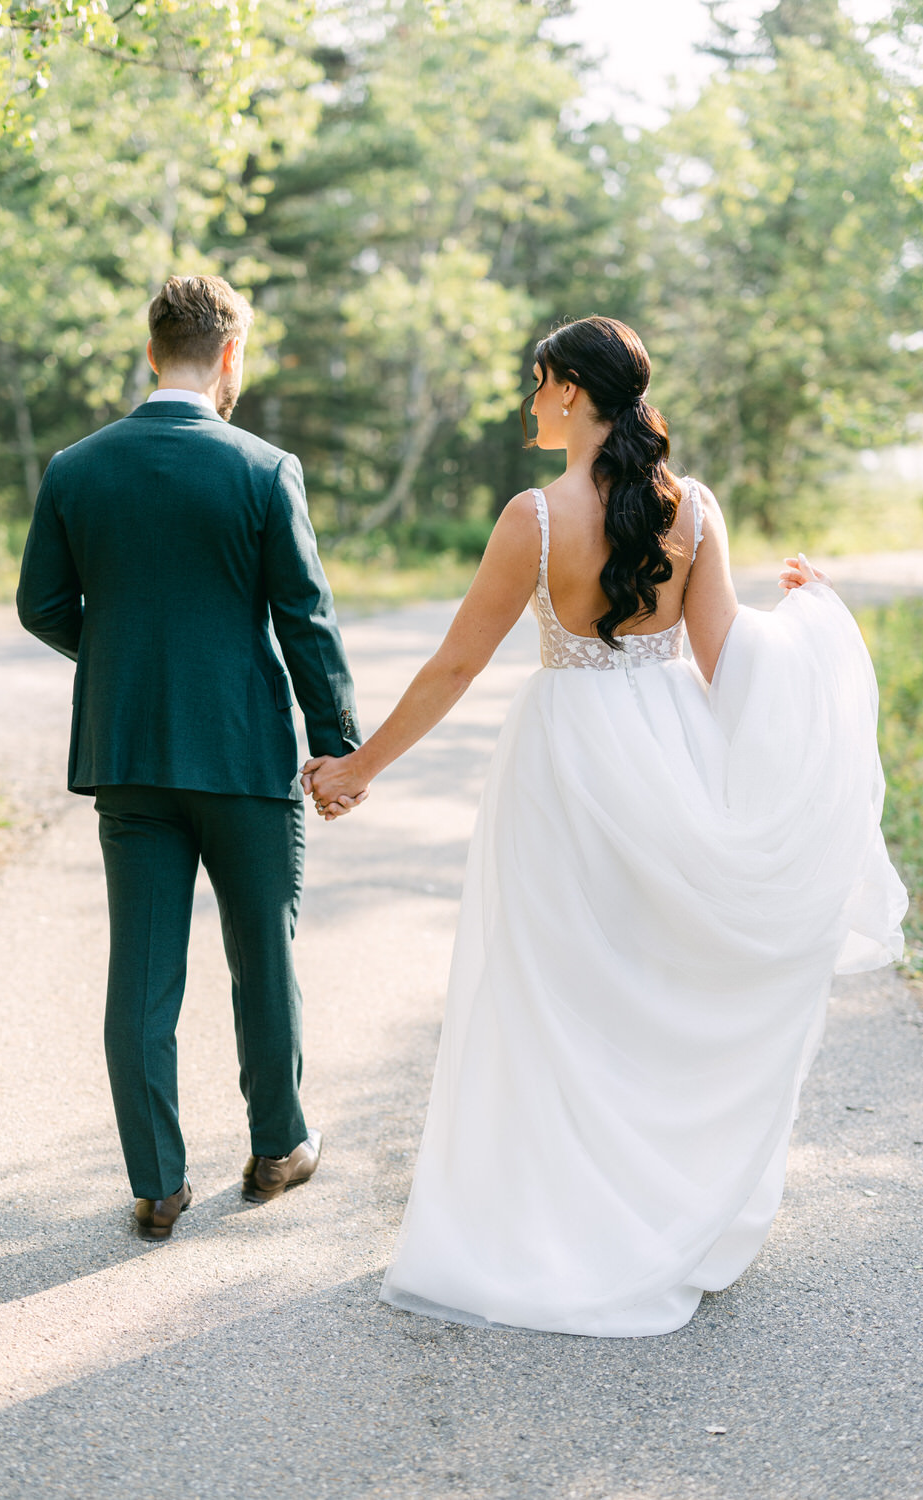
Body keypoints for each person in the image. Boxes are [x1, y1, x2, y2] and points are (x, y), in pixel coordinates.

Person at [303, 315, 907, 1336]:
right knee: (642, 987)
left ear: (572, 392)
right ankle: (654, 1216)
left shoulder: (532, 519)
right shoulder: (692, 509)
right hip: (665, 756)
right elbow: (728, 665)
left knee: (554, 993)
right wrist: (811, 625)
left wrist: (359, 768)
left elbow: (456, 666)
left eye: (536, 386)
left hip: (563, 766)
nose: (527, 403)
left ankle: (556, 1227)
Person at [18, 274, 363, 1240]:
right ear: (229, 356)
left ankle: (157, 1186)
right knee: (263, 957)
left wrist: (126, 657)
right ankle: (276, 1148)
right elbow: (306, 619)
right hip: (243, 754)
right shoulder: (262, 469)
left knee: (141, 973)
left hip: (129, 757)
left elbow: (41, 606)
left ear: (150, 352)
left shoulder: (75, 469)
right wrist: (336, 744)